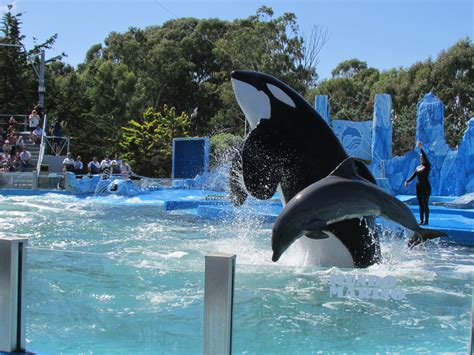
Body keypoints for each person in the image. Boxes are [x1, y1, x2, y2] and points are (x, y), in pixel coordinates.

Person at [405, 141, 432, 225]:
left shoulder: (427, 166)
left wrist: (421, 149)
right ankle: (421, 220)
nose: (421, 158)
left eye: (422, 157)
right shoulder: (418, 167)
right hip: (418, 187)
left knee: (425, 204)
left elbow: (425, 157)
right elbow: (413, 176)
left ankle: (426, 221)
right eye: (420, 157)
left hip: (426, 187)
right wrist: (407, 181)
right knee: (420, 204)